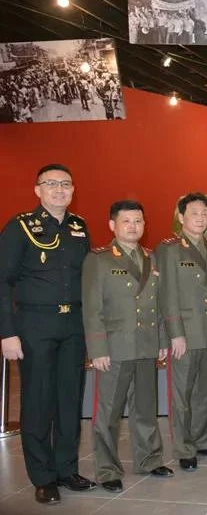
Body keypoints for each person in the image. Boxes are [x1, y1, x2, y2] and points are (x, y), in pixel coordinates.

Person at [0, 164, 96, 504]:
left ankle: (66, 468)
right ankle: (42, 477)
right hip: (35, 326)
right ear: (37, 189)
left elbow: (90, 282)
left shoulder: (79, 227)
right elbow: (2, 280)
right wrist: (6, 333)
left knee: (70, 400)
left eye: (66, 184)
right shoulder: (20, 226)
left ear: (73, 190)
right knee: (39, 401)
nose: (59, 190)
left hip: (74, 326)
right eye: (51, 184)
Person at [83, 200, 174, 492]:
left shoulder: (151, 258)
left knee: (146, 407)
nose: (133, 226)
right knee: (109, 412)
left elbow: (158, 304)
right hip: (115, 348)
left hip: (146, 345)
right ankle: (108, 468)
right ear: (112, 225)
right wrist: (97, 350)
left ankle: (149, 458)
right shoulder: (98, 259)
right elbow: (92, 308)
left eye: (138, 221)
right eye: (126, 221)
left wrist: (161, 340)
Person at [157, 193, 207, 471]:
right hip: (184, 334)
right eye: (194, 213)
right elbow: (167, 295)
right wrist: (174, 333)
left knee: (205, 392)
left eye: (204, 213)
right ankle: (184, 447)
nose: (200, 218)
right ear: (181, 216)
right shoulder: (169, 248)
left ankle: (202, 439)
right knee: (182, 394)